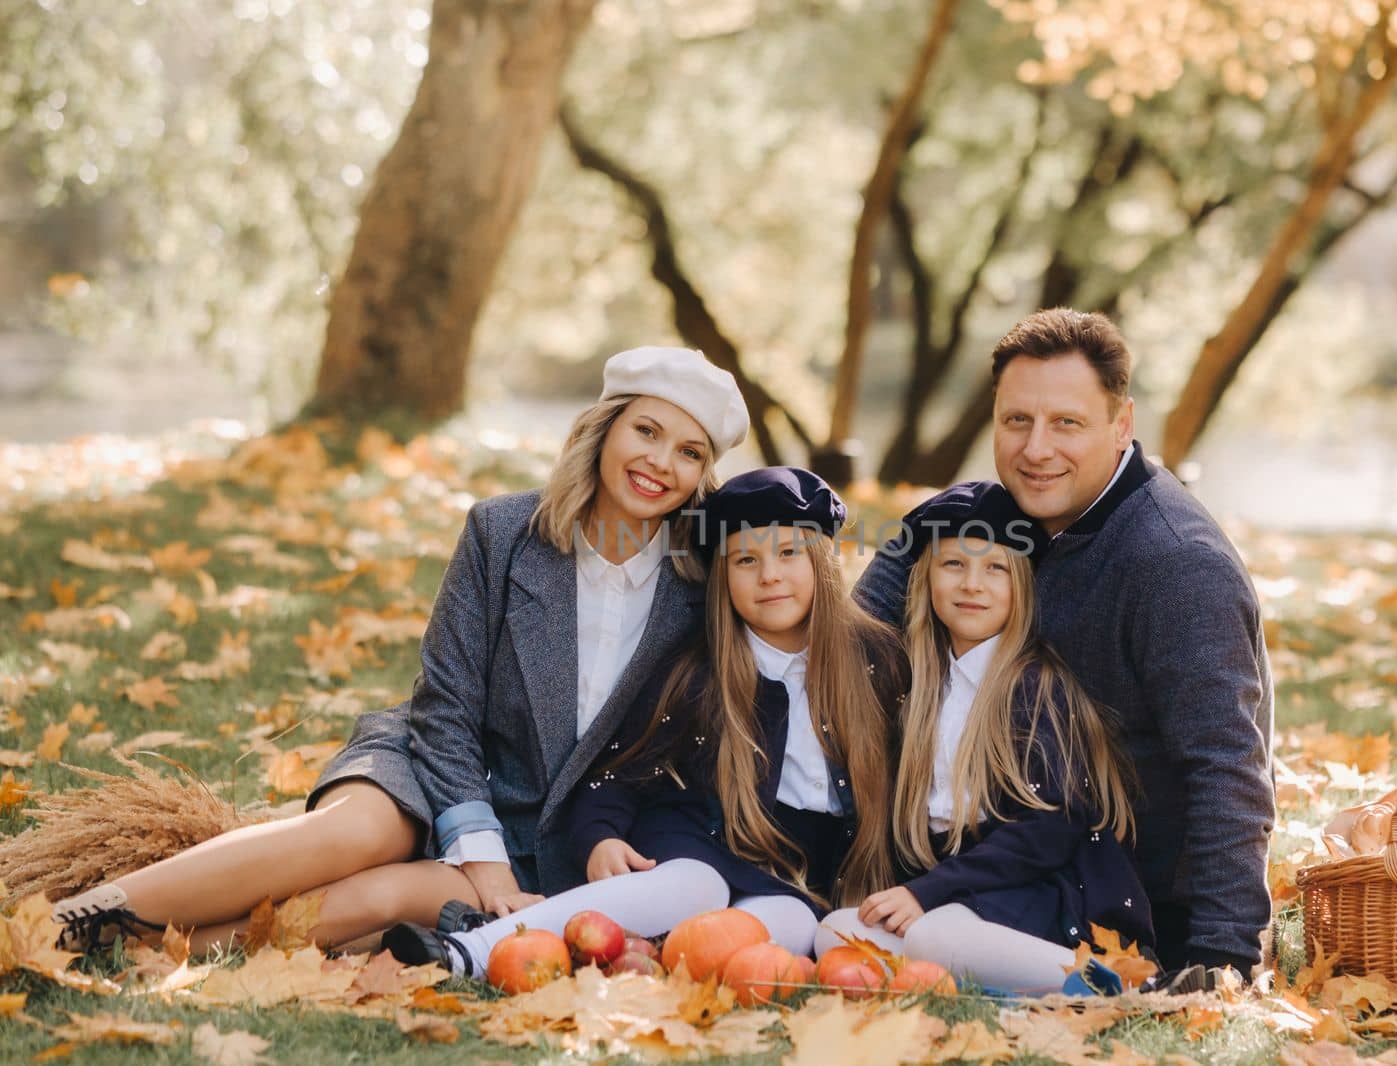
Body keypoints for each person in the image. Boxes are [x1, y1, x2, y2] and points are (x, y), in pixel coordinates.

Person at [51, 347, 750, 953]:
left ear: (702, 477)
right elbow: (444, 710)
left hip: (544, 836)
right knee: (353, 839)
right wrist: (481, 859)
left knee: (372, 901)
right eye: (647, 431)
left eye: (689, 452)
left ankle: (130, 950)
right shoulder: (503, 534)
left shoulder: (702, 588)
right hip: (430, 762)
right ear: (604, 429)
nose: (661, 462)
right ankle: (71, 921)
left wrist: (507, 870)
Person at [854, 309, 1274, 981]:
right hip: (973, 866)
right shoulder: (1001, 517)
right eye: (1017, 421)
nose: (1036, 449)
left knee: (931, 943)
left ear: (1122, 425)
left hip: (1110, 896)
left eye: (1067, 424)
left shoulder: (1173, 563)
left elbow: (1226, 764)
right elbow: (851, 648)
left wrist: (1222, 954)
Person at [379, 467, 905, 975]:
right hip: (697, 843)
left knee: (788, 928)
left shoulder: (875, 661)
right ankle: (474, 948)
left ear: (822, 560)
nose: (769, 575)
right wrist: (600, 837)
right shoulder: (700, 670)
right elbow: (618, 769)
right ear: (722, 577)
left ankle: (626, 954)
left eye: (789, 553)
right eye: (746, 560)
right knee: (696, 887)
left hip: (794, 879)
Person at [816, 482, 1150, 993]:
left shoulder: (1035, 689)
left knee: (933, 935)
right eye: (954, 565)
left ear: (1022, 585)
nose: (973, 584)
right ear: (926, 580)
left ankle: (1119, 991)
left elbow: (1048, 831)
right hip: (964, 893)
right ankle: (997, 990)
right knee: (838, 931)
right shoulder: (920, 687)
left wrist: (927, 892)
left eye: (995, 568)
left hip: (1046, 889)